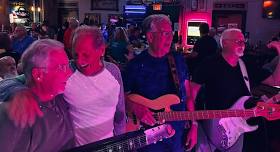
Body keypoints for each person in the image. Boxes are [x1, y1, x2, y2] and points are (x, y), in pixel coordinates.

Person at [0, 26, 126, 146]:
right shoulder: (66, 71)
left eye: (86, 55)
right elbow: (9, 83)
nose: (80, 62)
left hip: (109, 145)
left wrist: (120, 142)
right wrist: (19, 91)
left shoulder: (113, 71)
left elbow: (120, 113)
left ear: (102, 50)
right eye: (76, 55)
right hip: (77, 147)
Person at [192, 28, 280, 152]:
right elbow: (192, 91)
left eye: (243, 42)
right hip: (213, 122)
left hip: (238, 125)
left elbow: (275, 81)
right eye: (238, 41)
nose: (243, 45)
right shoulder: (210, 63)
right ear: (225, 43)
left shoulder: (247, 64)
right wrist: (193, 122)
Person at [123, 14, 197, 152]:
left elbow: (187, 95)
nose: (170, 38)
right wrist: (135, 107)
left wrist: (194, 125)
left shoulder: (178, 60)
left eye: (171, 33)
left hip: (177, 135)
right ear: (150, 37)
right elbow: (122, 98)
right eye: (165, 33)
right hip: (148, 139)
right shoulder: (135, 65)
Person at [0, 39, 74, 151]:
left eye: (67, 65)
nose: (69, 73)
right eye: (62, 67)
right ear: (38, 74)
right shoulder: (19, 113)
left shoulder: (58, 96)